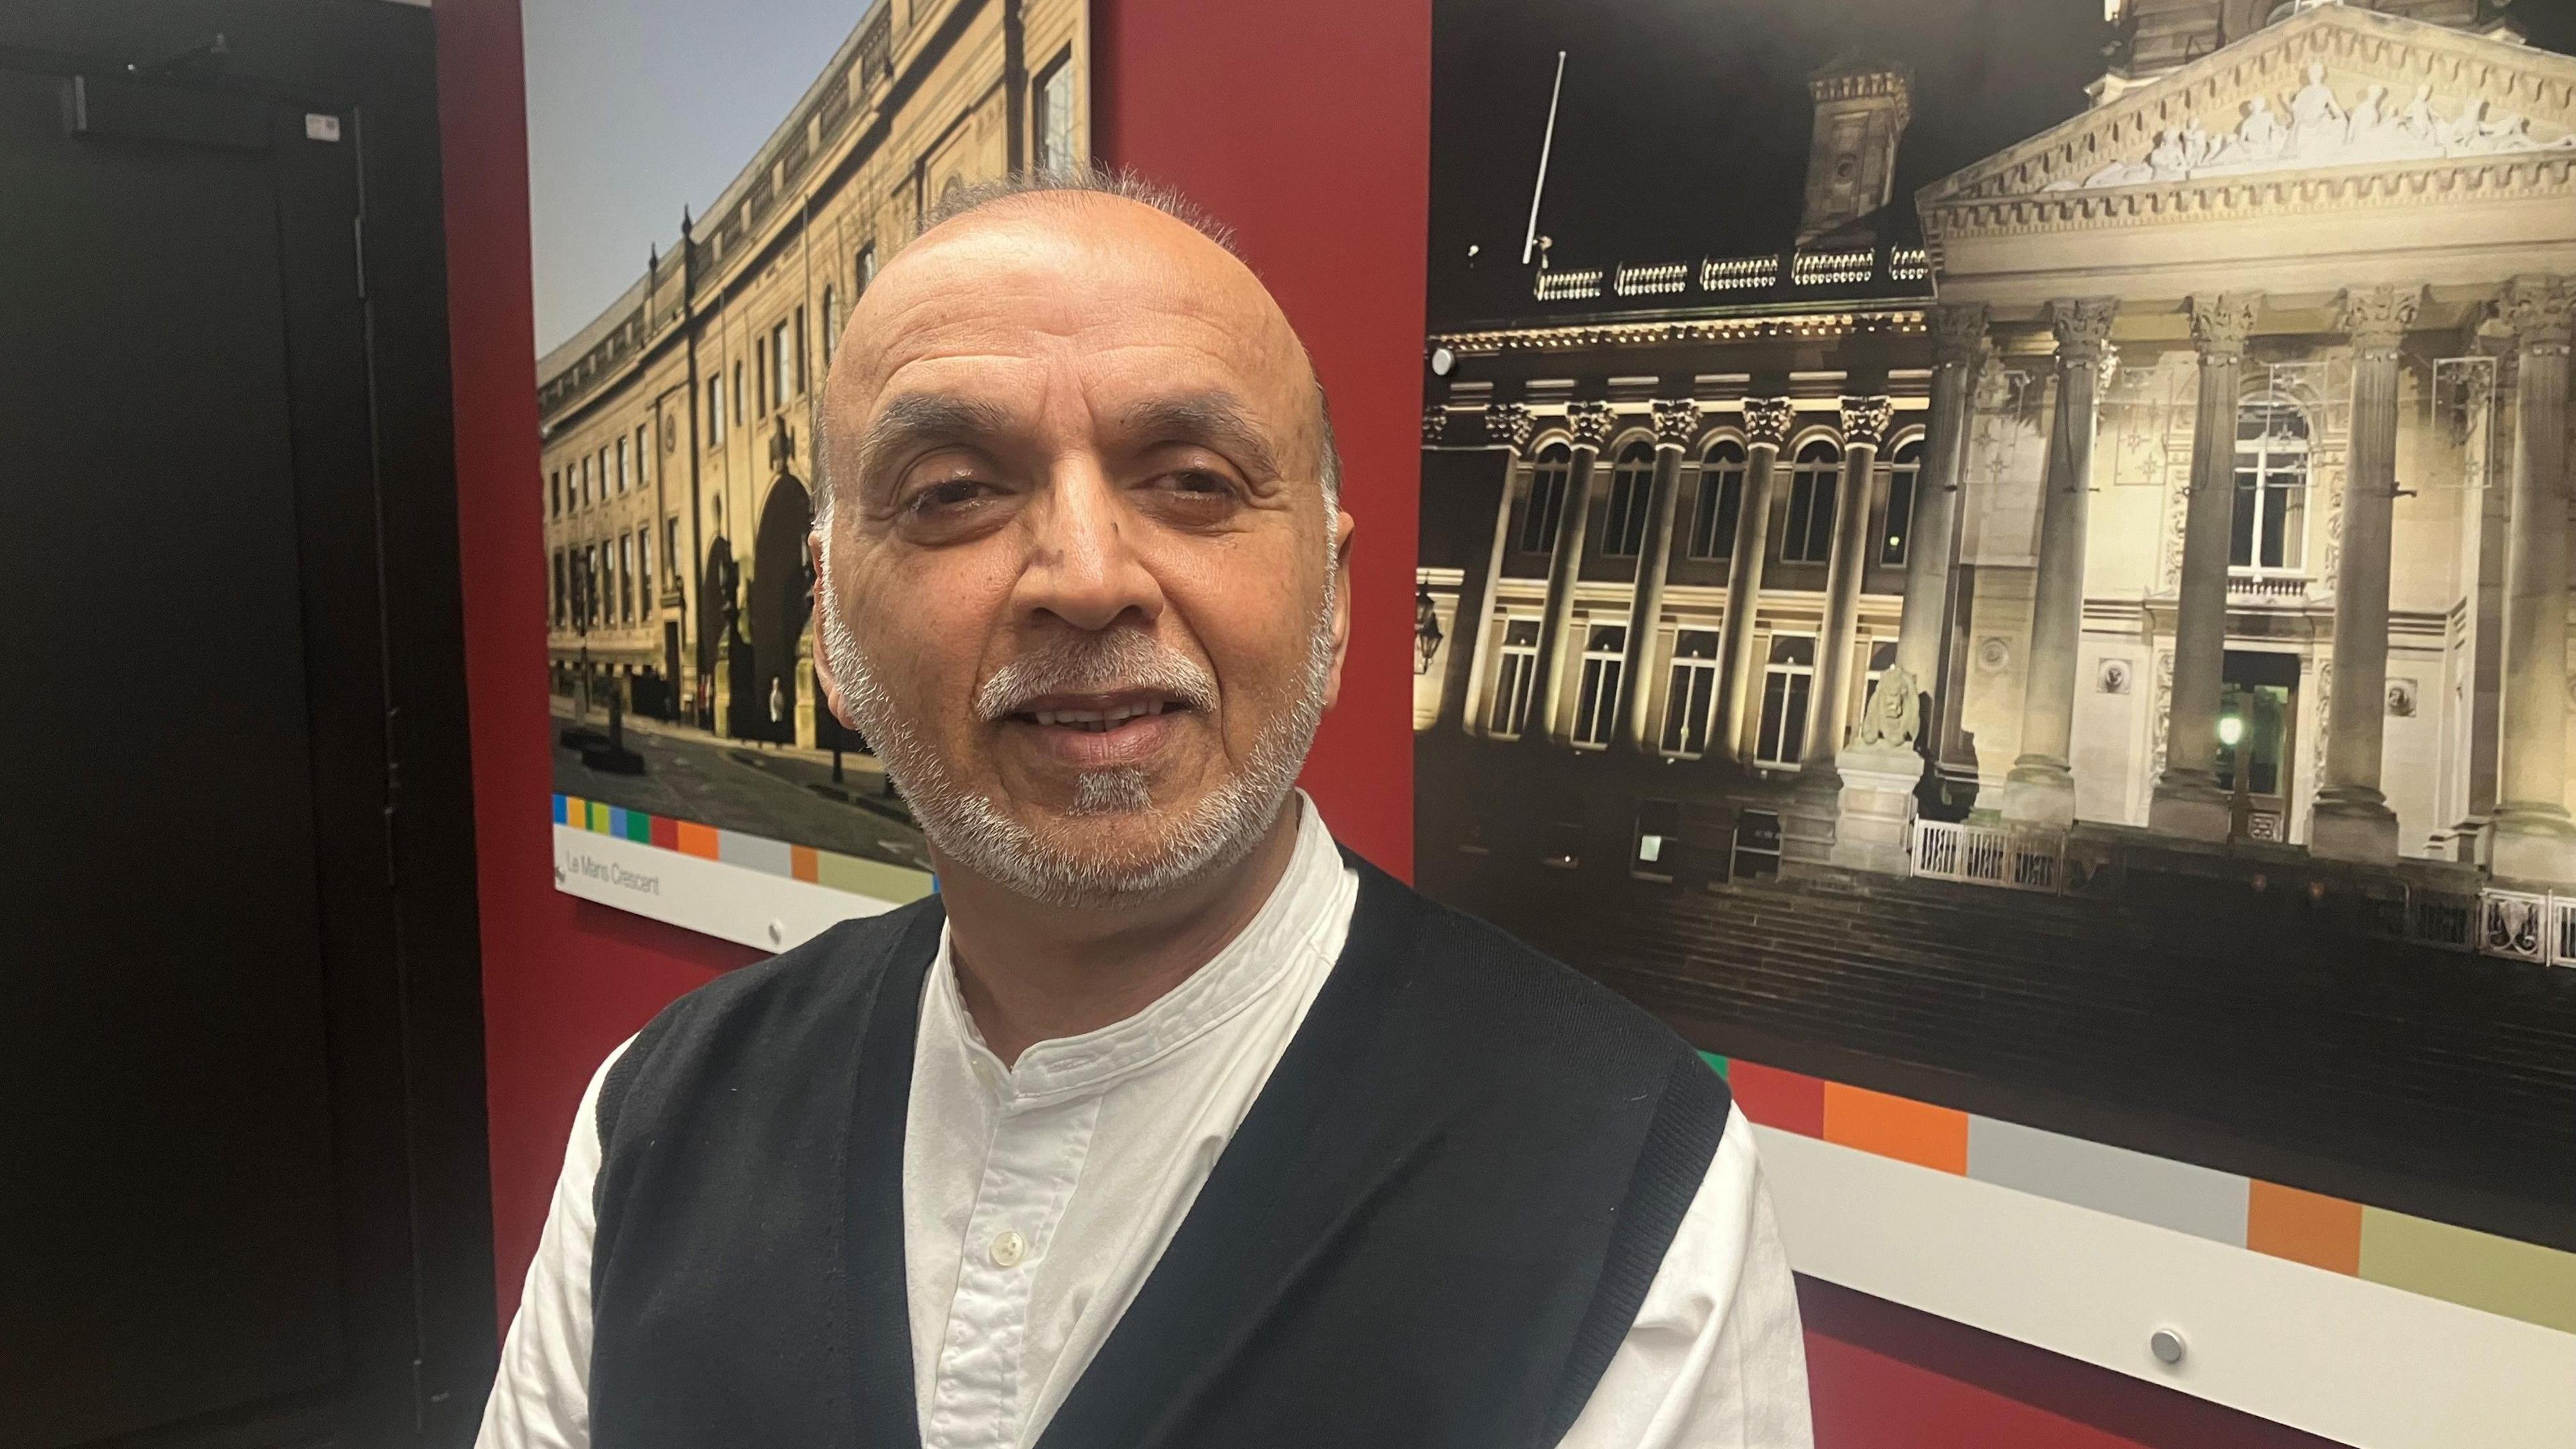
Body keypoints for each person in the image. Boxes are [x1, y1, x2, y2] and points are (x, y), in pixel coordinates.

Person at [478, 170, 1813, 1449]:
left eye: (1193, 481)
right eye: (953, 494)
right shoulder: (653, 1121)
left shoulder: (1627, 1194)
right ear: (828, 621)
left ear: (1336, 602)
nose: (1087, 574)